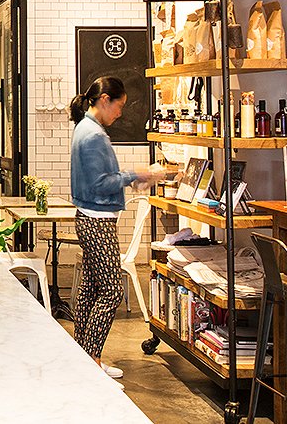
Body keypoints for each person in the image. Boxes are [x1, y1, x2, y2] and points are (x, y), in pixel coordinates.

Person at [68, 76, 163, 380]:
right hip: (97, 221)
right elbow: (101, 183)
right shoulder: (94, 135)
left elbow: (102, 179)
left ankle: (82, 355)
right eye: (119, 106)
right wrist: (138, 172)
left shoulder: (86, 128)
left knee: (91, 288)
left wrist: (133, 178)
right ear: (105, 100)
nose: (121, 113)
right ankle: (92, 359)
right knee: (110, 290)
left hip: (88, 217)